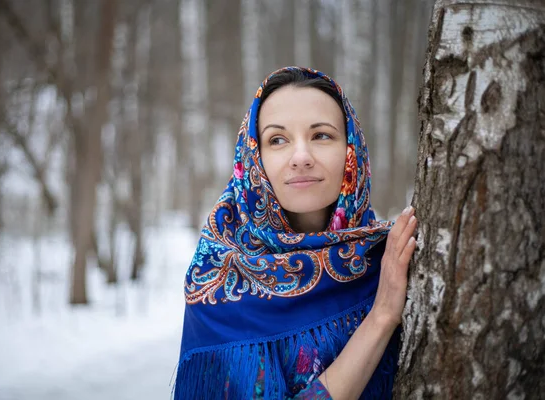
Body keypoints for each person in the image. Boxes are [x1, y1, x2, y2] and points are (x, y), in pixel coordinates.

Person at [173, 66, 417, 400]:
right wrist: (381, 319)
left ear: (351, 153)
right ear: (254, 157)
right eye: (277, 140)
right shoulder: (218, 280)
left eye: (321, 135)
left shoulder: (391, 256)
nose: (301, 157)